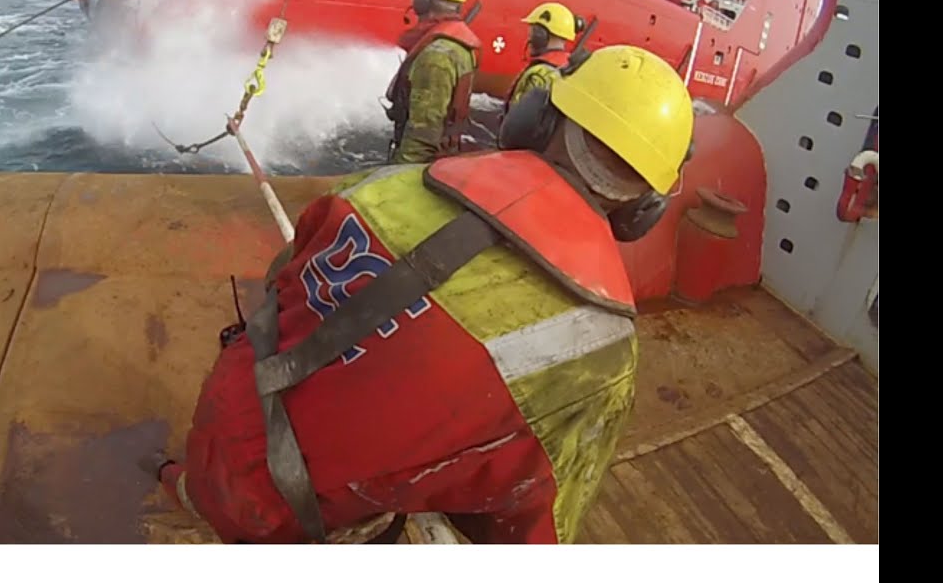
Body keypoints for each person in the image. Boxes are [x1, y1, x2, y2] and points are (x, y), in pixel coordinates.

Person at [149, 44, 695, 544]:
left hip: (221, 427)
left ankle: (193, 490)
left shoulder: (385, 187)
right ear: (645, 207)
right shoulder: (603, 350)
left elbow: (281, 281)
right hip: (292, 519)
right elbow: (534, 530)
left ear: (539, 118)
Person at [382, 0, 483, 164]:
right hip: (439, 161)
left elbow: (423, 136)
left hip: (420, 164)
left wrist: (396, 172)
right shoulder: (455, 45)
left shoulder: (435, 57)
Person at [504, 2, 584, 116]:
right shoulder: (569, 69)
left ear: (540, 35)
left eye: (533, 32)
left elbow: (521, 117)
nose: (529, 38)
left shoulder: (540, 75)